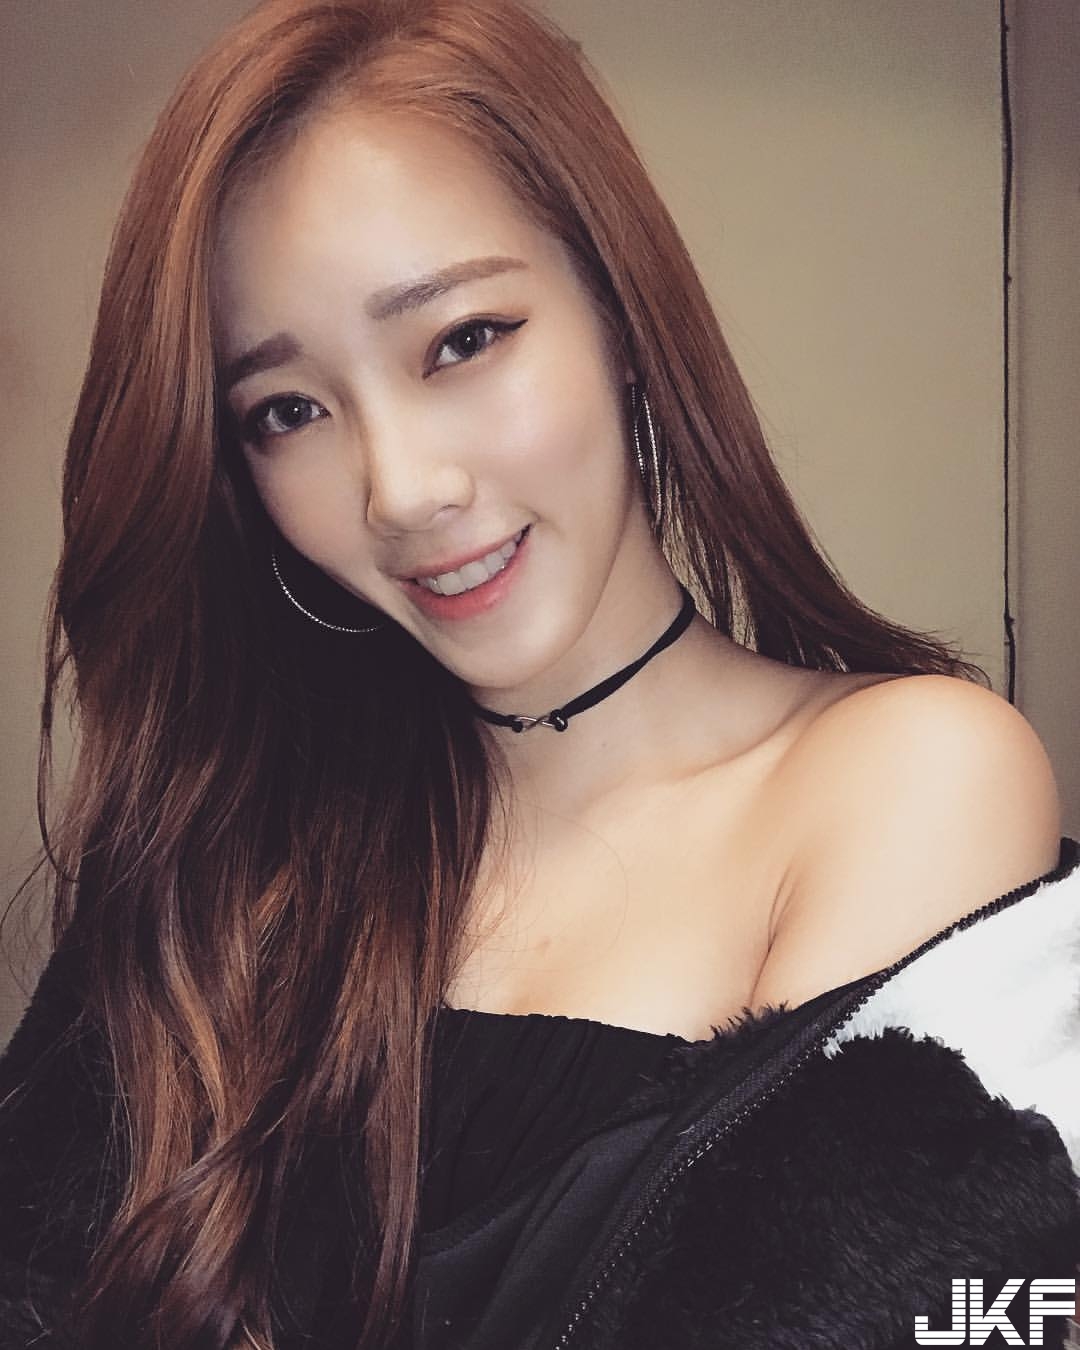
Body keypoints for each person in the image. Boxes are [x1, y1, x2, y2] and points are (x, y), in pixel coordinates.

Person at [2, 0, 1078, 1346]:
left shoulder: (910, 780)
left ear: (619, 312)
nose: (401, 490)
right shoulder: (238, 853)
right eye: (289, 410)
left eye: (462, 340)